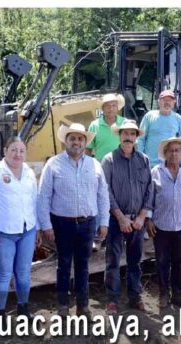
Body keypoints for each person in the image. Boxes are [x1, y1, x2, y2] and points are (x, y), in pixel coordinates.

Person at [38, 123, 109, 317]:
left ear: (85, 142)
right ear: (66, 141)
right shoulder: (53, 164)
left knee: (83, 265)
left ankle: (83, 306)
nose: (76, 142)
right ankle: (62, 306)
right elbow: (43, 196)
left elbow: (103, 195)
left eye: (80, 139)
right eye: (72, 139)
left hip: (87, 223)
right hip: (62, 224)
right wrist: (45, 225)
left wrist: (104, 222)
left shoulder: (94, 165)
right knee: (63, 264)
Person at [0, 137, 38, 318]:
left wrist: (38, 228)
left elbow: (34, 200)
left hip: (27, 230)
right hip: (3, 233)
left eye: (21, 150)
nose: (18, 154)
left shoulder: (29, 172)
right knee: (3, 274)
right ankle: (0, 312)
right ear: (5, 151)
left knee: (24, 273)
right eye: (14, 149)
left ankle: (23, 308)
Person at [101, 120, 153, 314]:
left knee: (135, 261)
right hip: (116, 220)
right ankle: (112, 300)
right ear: (119, 136)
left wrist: (141, 216)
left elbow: (149, 189)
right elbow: (105, 190)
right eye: (125, 133)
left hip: (138, 221)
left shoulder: (144, 160)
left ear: (136, 137)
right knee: (113, 261)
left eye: (132, 134)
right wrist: (121, 218)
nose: (128, 137)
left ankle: (135, 297)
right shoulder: (109, 160)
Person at [146, 137, 181, 310]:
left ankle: (179, 295)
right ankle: (163, 295)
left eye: (177, 150)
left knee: (179, 263)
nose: (174, 153)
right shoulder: (156, 171)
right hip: (160, 226)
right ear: (165, 153)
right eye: (170, 150)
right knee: (161, 262)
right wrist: (148, 219)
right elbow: (149, 197)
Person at [136, 89, 181, 167]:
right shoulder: (149, 116)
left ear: (174, 103)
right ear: (159, 102)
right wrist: (140, 158)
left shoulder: (178, 119)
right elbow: (140, 139)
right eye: (164, 100)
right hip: (150, 164)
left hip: (169, 165)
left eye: (170, 100)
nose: (167, 103)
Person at [87, 93, 126, 161]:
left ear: (117, 108)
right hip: (100, 167)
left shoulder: (125, 123)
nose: (111, 109)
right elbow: (88, 148)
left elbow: (133, 145)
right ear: (103, 108)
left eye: (114, 105)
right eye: (107, 106)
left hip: (121, 166)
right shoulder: (94, 125)